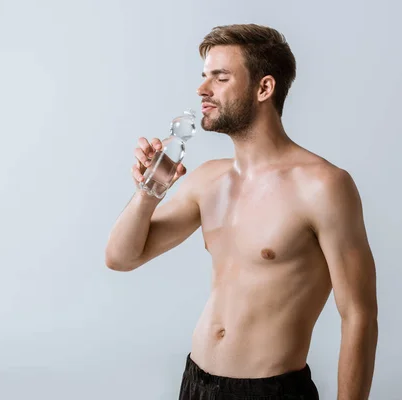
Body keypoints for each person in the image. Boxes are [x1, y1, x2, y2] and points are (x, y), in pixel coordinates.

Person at [105, 23, 378, 400]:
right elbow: (121, 258)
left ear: (264, 88)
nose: (202, 90)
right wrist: (149, 193)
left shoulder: (323, 186)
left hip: (271, 391)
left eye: (220, 78)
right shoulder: (208, 180)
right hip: (196, 383)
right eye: (204, 77)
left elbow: (359, 316)